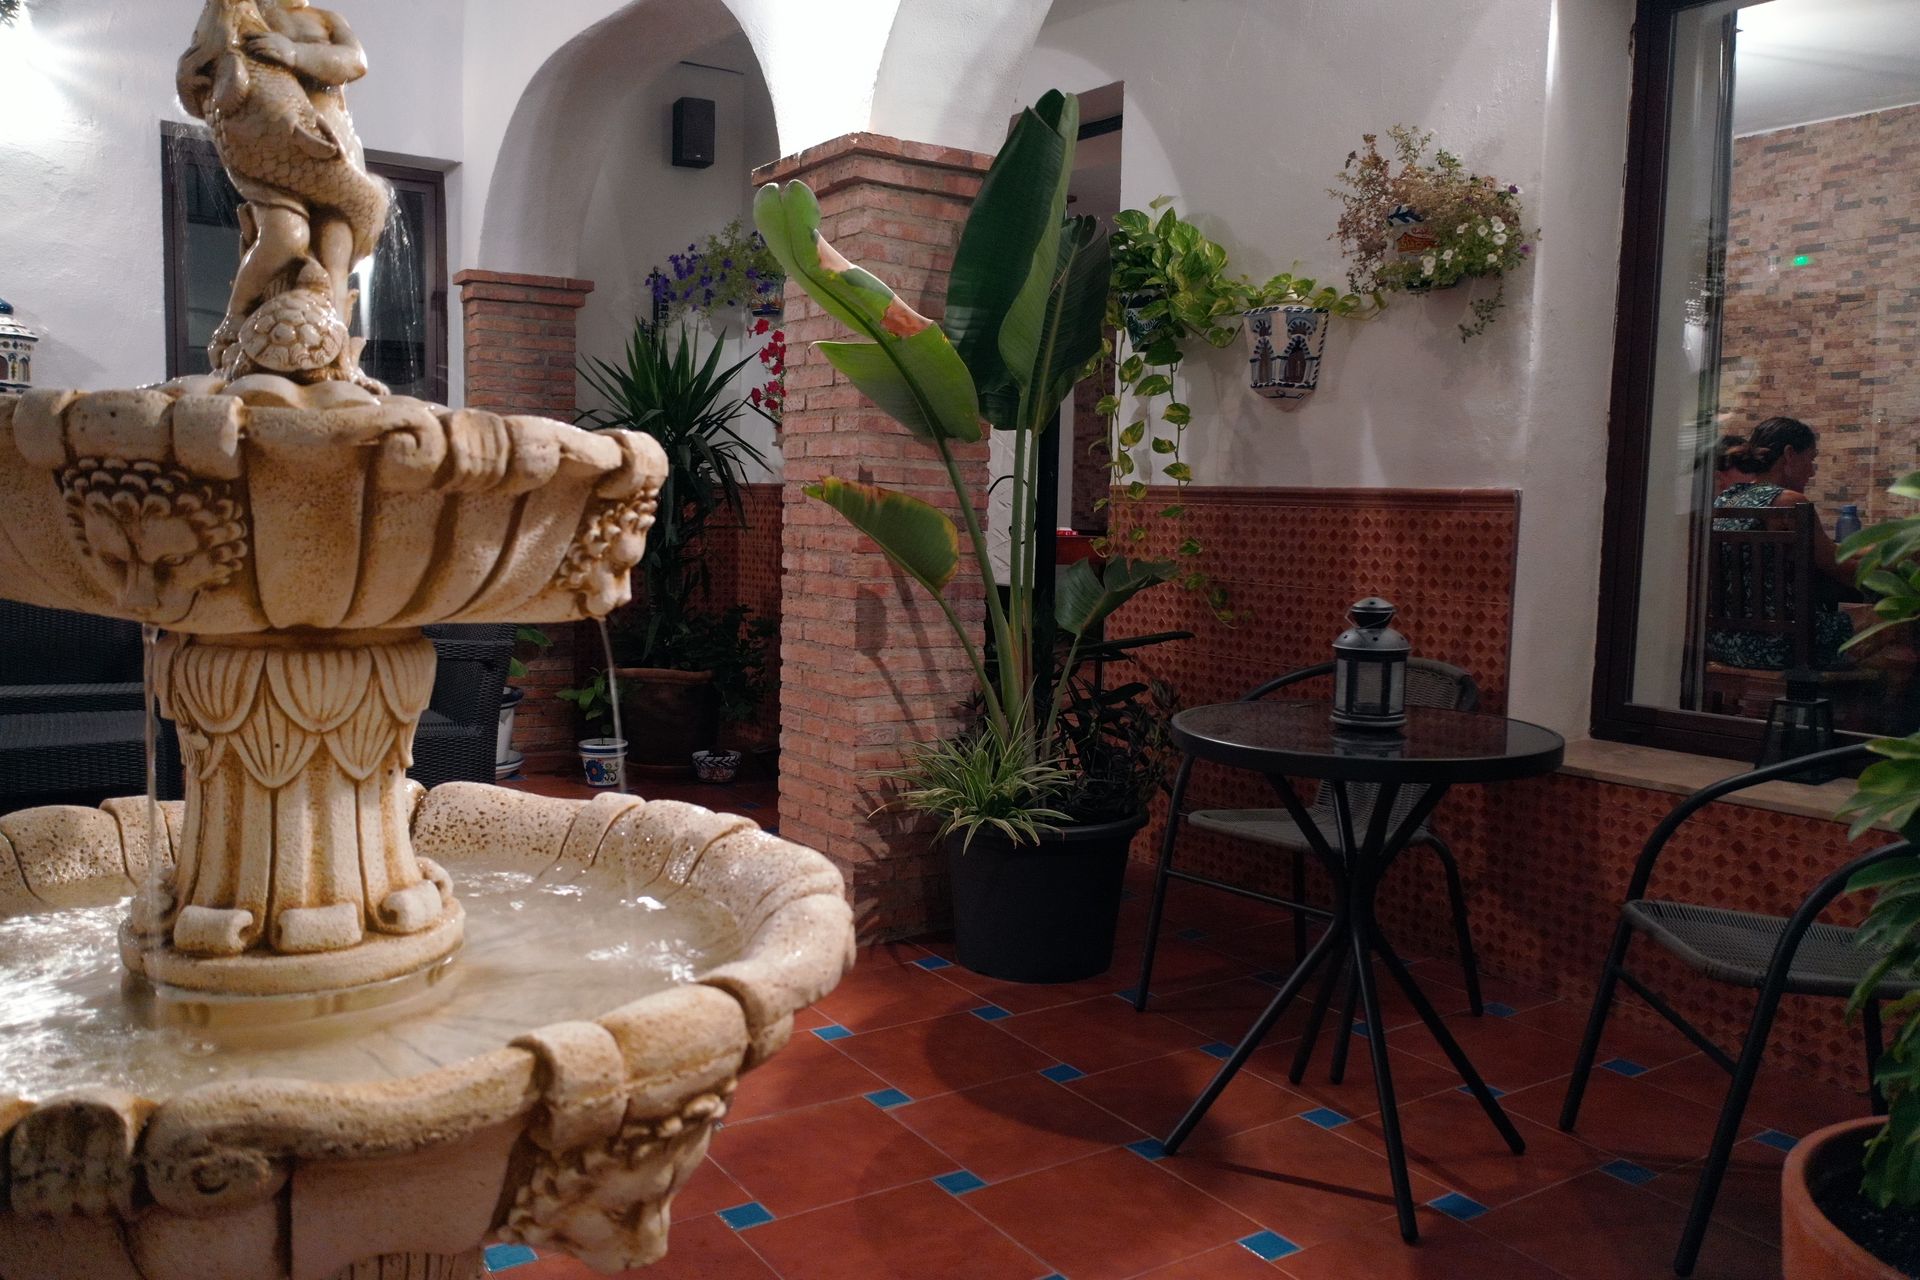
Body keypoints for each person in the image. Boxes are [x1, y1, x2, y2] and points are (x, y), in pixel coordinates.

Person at [1707, 417, 1853, 670]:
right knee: (1890, 624)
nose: (1812, 470)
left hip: (1724, 641)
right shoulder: (1789, 502)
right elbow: (1836, 565)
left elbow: (1831, 552)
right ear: (1789, 455)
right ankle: (1830, 708)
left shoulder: (1727, 498)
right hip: (1782, 644)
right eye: (1810, 458)